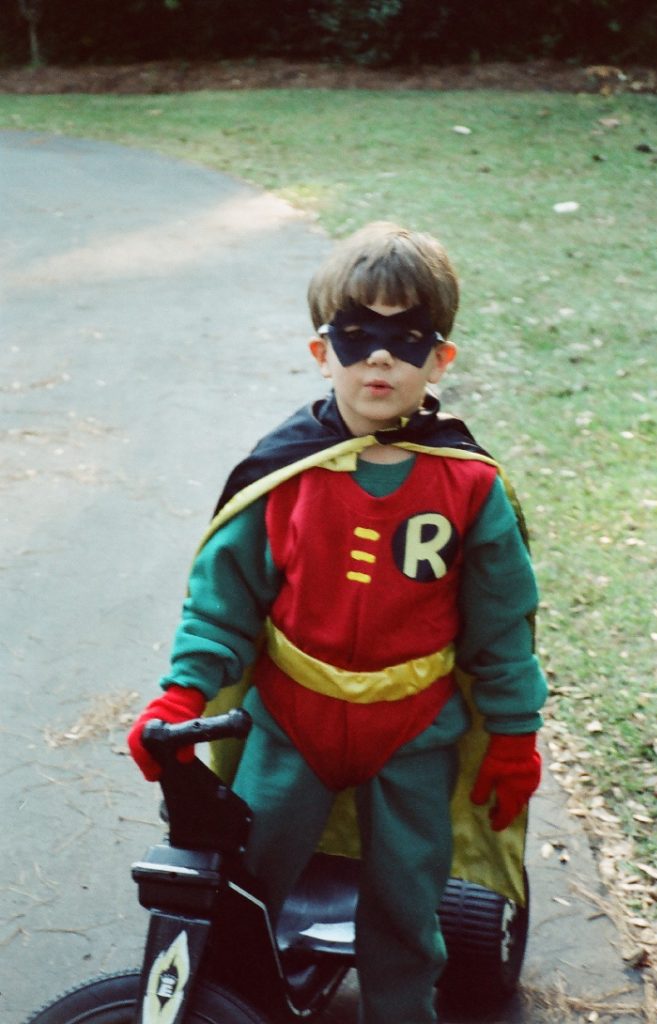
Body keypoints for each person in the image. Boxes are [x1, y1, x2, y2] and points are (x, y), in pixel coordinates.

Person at [128, 222, 548, 1024]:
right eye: (357, 336)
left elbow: (502, 627)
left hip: (413, 734)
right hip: (289, 726)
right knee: (244, 882)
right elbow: (223, 603)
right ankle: (235, 1004)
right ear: (322, 353)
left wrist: (513, 732)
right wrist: (183, 694)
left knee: (407, 903)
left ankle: (400, 1012)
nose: (380, 358)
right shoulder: (279, 474)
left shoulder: (469, 486)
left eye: (406, 338)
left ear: (440, 359)